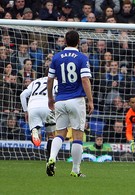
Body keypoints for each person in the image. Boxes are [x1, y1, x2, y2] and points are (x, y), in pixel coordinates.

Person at [46, 30, 94, 178]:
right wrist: (90, 100)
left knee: (59, 133)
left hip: (60, 100)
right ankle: (75, 170)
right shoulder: (81, 58)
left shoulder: (56, 57)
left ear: (65, 41)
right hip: (76, 100)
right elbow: (85, 80)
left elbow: (50, 79)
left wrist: (50, 98)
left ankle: (52, 157)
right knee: (77, 136)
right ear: (78, 41)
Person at [19, 68, 58, 163]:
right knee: (51, 136)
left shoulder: (35, 82)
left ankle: (35, 131)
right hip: (48, 107)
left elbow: (22, 95)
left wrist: (26, 111)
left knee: (38, 139)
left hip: (32, 107)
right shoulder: (56, 82)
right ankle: (50, 160)